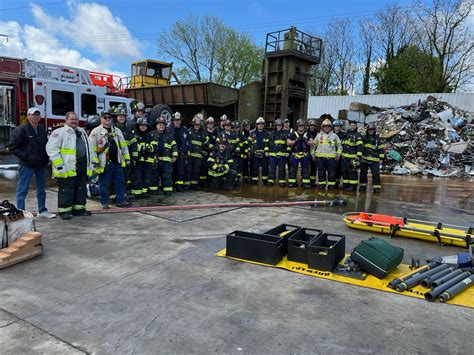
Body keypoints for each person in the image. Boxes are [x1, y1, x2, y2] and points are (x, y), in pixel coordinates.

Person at [46, 111, 93, 219]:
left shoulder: (81, 132)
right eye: (71, 119)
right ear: (66, 120)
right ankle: (65, 211)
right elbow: (52, 149)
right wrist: (59, 165)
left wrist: (91, 163)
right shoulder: (59, 132)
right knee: (66, 190)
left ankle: (79, 209)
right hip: (66, 167)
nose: (74, 121)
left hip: (81, 164)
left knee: (81, 188)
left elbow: (89, 148)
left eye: (76, 119)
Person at [9, 107, 55, 217]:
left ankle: (42, 210)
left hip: (40, 164)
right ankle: (21, 211)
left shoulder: (41, 129)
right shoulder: (21, 129)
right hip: (27, 165)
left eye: (38, 115)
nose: (35, 117)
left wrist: (46, 159)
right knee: (23, 189)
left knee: (41, 189)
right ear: (28, 116)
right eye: (33, 114)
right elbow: (13, 146)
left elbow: (46, 145)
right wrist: (26, 157)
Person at [89, 110, 131, 209]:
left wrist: (127, 158)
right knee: (104, 183)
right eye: (105, 117)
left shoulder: (117, 131)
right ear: (101, 119)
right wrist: (95, 161)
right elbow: (91, 148)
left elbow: (123, 146)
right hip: (104, 163)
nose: (108, 119)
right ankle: (105, 202)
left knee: (120, 182)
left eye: (109, 117)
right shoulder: (96, 132)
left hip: (117, 161)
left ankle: (120, 200)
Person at [148, 116, 177, 195]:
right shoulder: (151, 135)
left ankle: (167, 190)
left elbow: (174, 146)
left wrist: (174, 156)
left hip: (166, 161)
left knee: (167, 176)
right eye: (160, 124)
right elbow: (147, 146)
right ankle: (153, 190)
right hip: (154, 160)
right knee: (154, 176)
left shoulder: (169, 135)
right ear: (156, 125)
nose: (161, 126)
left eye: (163, 125)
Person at [312, 119, 342, 189]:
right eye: (325, 126)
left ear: (331, 127)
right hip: (320, 158)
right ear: (322, 127)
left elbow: (339, 146)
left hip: (331, 158)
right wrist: (313, 155)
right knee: (321, 172)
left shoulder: (334, 136)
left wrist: (338, 154)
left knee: (331, 173)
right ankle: (321, 184)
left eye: (328, 126)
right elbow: (313, 146)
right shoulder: (318, 136)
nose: (327, 127)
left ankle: (331, 185)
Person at [287, 119, 313, 188]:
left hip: (305, 155)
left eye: (302, 126)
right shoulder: (293, 134)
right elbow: (288, 142)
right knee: (293, 169)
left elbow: (312, 142)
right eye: (300, 126)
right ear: (297, 126)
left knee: (305, 169)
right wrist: (295, 141)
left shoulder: (307, 134)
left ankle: (305, 183)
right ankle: (292, 183)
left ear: (304, 127)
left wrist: (306, 141)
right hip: (295, 154)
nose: (301, 127)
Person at [129, 117, 151, 199]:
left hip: (147, 159)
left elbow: (153, 145)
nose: (143, 127)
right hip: (137, 159)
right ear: (138, 126)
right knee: (137, 176)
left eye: (145, 125)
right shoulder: (133, 134)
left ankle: (144, 192)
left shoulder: (148, 135)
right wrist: (141, 148)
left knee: (146, 176)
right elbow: (132, 145)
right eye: (141, 125)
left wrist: (149, 148)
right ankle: (137, 193)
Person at [360, 123, 385, 193]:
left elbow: (381, 149)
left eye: (372, 130)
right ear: (367, 130)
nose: (371, 131)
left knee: (376, 174)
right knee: (363, 173)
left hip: (375, 159)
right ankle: (363, 186)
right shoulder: (363, 138)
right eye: (370, 130)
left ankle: (377, 188)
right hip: (364, 159)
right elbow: (360, 147)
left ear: (374, 130)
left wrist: (381, 158)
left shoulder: (377, 139)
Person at [169, 112, 190, 191]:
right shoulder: (168, 130)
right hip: (171, 153)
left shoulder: (185, 130)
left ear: (181, 121)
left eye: (179, 120)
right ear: (173, 121)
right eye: (175, 120)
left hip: (181, 153)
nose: (177, 121)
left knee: (180, 170)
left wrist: (187, 150)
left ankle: (179, 186)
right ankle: (172, 185)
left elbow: (189, 141)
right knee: (171, 169)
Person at [187, 114, 209, 190]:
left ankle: (194, 185)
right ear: (193, 124)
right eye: (196, 124)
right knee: (188, 170)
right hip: (190, 156)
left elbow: (206, 143)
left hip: (199, 156)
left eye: (199, 125)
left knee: (196, 171)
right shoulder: (188, 132)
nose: (197, 126)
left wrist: (206, 150)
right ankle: (187, 185)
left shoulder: (202, 133)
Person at [341, 120, 363, 191]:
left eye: (354, 125)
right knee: (345, 173)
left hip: (353, 158)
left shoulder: (358, 135)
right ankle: (346, 186)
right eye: (351, 125)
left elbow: (360, 147)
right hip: (344, 158)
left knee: (353, 173)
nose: (352, 126)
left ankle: (353, 187)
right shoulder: (346, 134)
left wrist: (358, 157)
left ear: (356, 126)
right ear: (349, 126)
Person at [248, 117, 270, 184]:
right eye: (259, 124)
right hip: (255, 153)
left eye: (262, 124)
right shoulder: (252, 133)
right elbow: (249, 143)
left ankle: (265, 179)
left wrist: (266, 151)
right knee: (254, 167)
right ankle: (254, 179)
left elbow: (268, 143)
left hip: (264, 153)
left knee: (265, 167)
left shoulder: (267, 133)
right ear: (256, 125)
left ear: (264, 125)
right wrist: (252, 151)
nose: (260, 125)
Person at [268, 119, 288, 186]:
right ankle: (271, 181)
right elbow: (268, 144)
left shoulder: (285, 134)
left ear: (282, 126)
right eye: (277, 125)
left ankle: (282, 181)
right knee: (271, 169)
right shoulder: (271, 134)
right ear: (275, 126)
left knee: (282, 169)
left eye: (280, 125)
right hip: (272, 155)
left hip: (282, 155)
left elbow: (288, 144)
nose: (279, 127)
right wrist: (267, 151)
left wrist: (288, 151)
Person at [332, 119, 345, 188]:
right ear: (333, 127)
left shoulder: (343, 134)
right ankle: (332, 182)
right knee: (332, 168)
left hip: (340, 154)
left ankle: (337, 182)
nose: (337, 127)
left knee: (339, 169)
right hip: (332, 154)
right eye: (336, 126)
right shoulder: (330, 134)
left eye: (338, 126)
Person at [306, 119, 319, 186]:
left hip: (314, 154)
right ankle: (305, 181)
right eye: (310, 125)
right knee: (305, 168)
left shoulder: (318, 135)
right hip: (306, 153)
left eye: (313, 126)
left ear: (315, 127)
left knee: (313, 168)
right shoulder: (305, 134)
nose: (312, 127)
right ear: (308, 126)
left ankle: (312, 182)